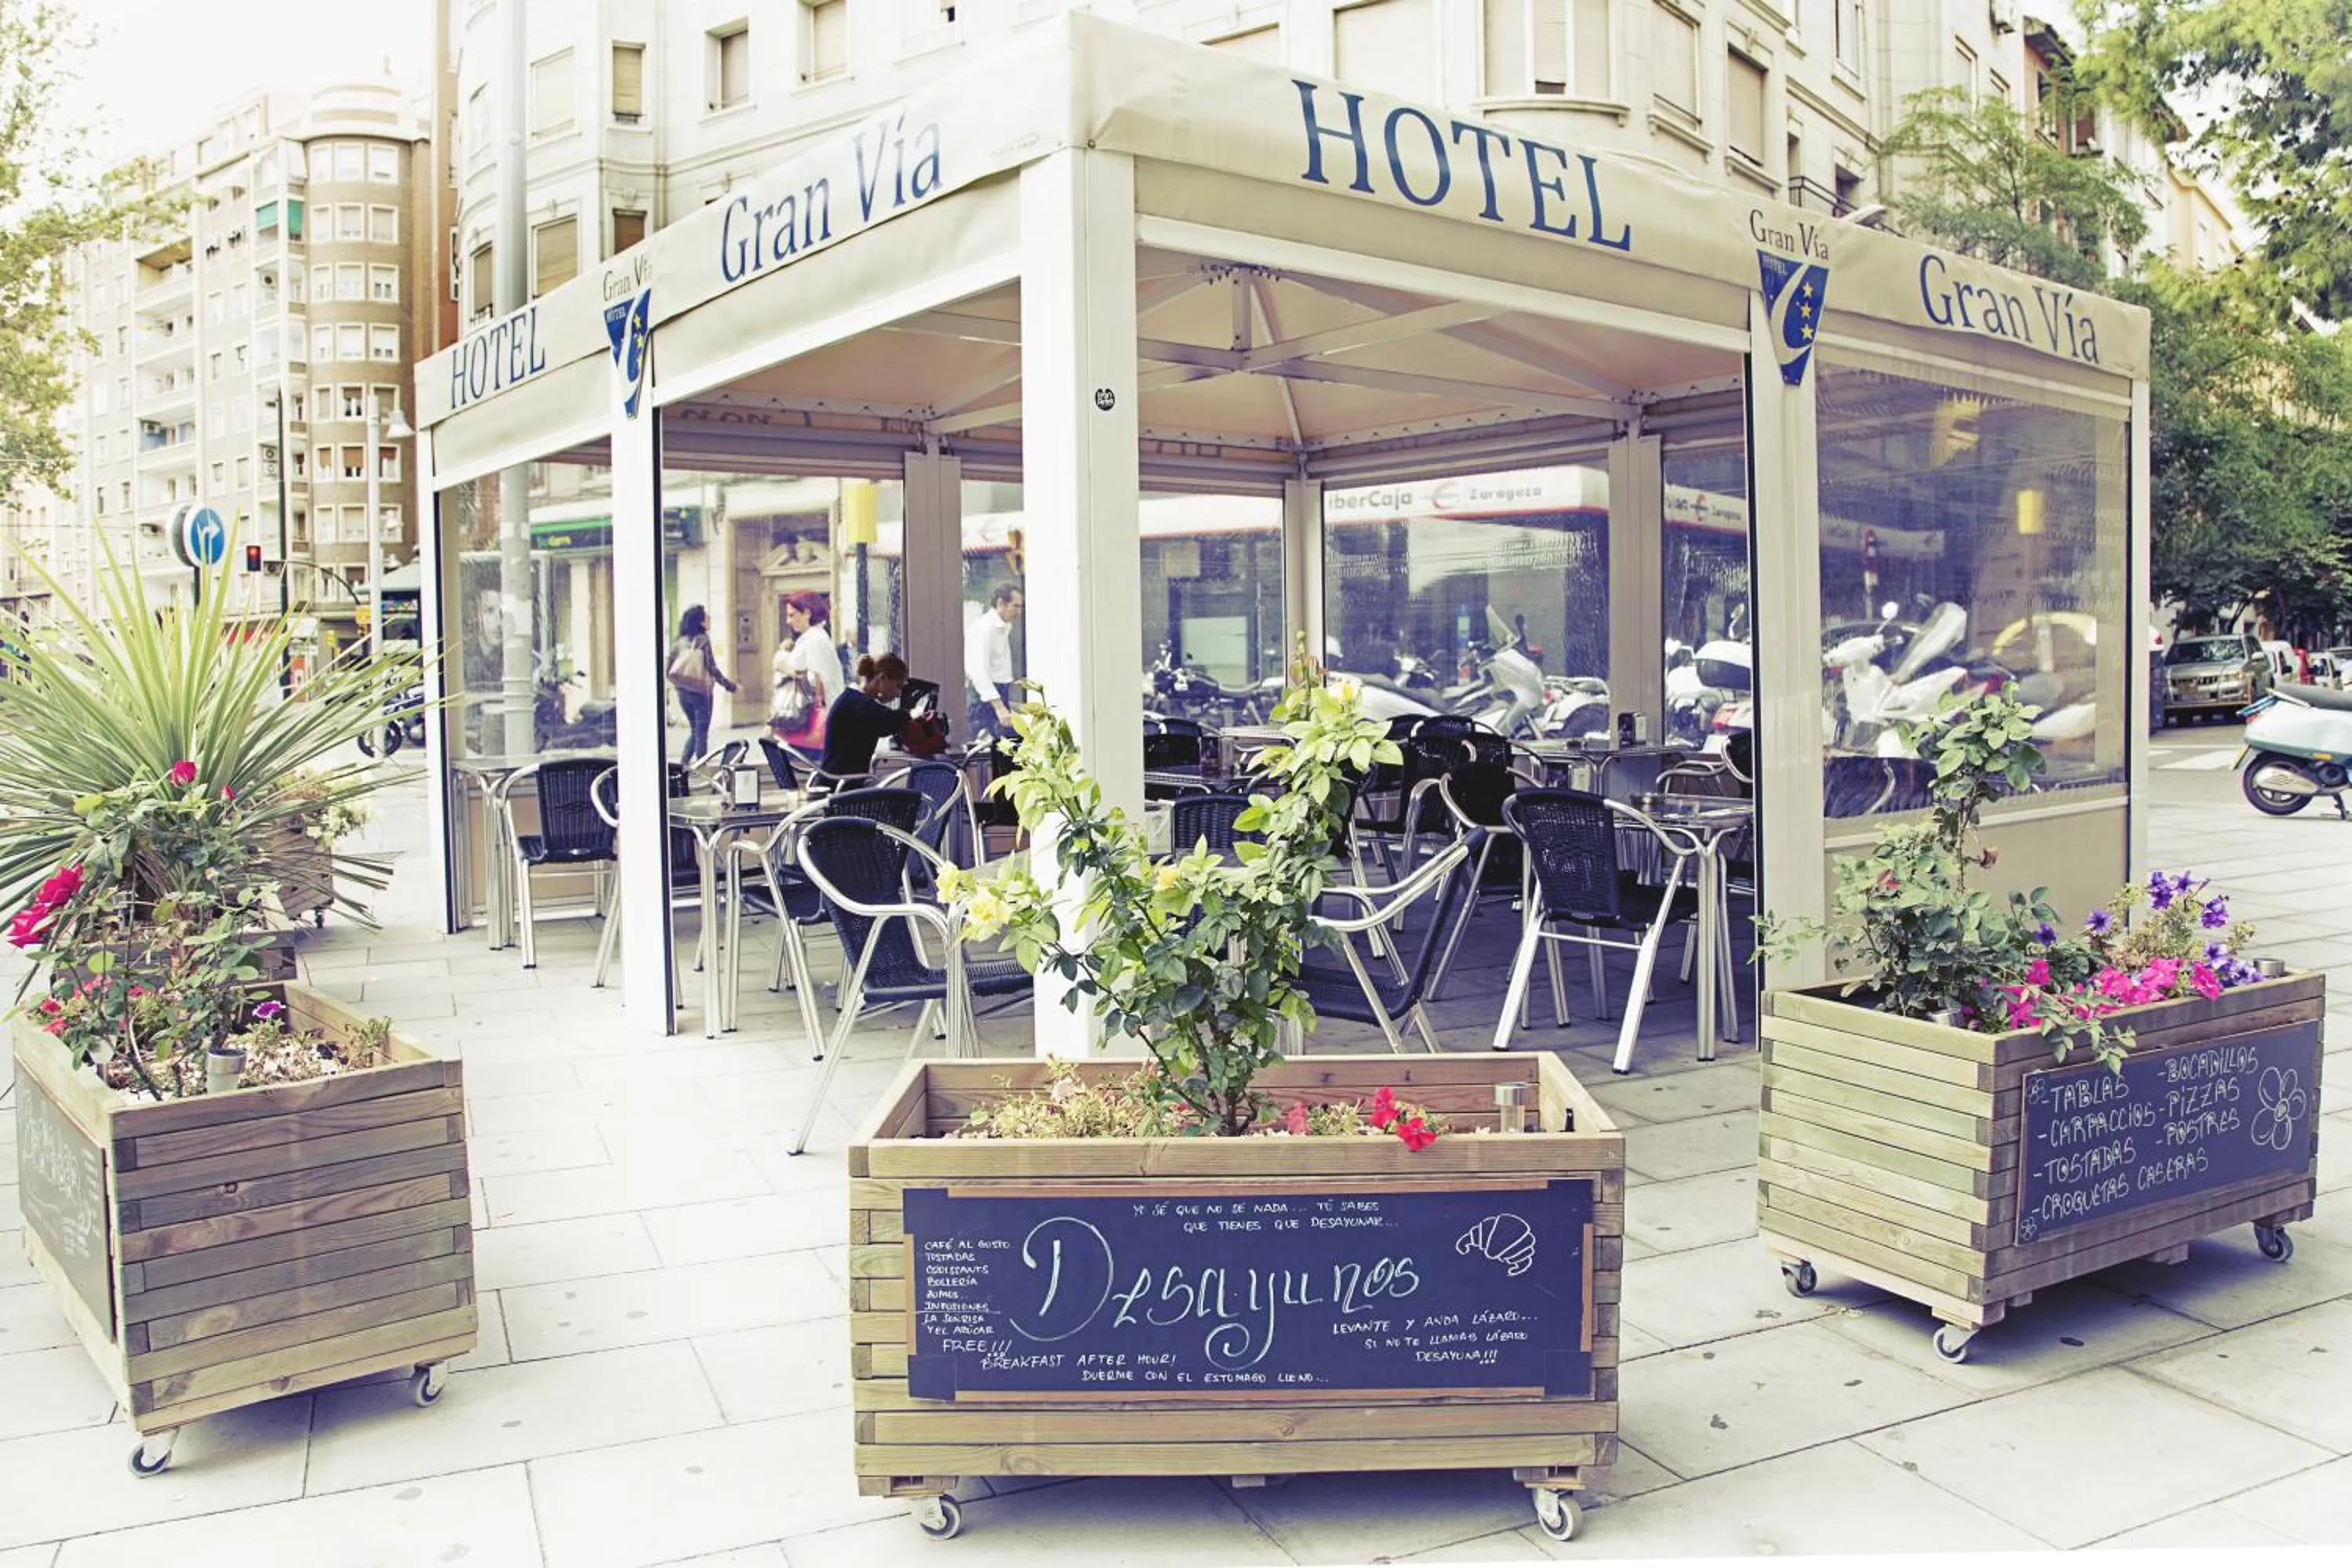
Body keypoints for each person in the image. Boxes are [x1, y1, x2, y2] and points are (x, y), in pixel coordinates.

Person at [819, 653, 948, 779]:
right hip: (841, 787)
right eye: (898, 686)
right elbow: (887, 721)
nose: (898, 694)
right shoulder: (858, 704)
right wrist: (913, 713)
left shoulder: (853, 699)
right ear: (882, 678)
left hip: (844, 781)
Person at [664, 605, 735, 761]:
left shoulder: (678, 642)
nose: (710, 621)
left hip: (683, 693)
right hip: (701, 692)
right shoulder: (703, 640)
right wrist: (730, 686)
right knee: (701, 731)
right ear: (701, 622)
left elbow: (669, 670)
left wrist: (681, 685)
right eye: (707, 618)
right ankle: (702, 765)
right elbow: (712, 668)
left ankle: (683, 764)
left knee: (695, 730)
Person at [771, 590, 838, 754]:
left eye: (792, 615)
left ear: (807, 613)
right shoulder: (817, 637)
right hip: (816, 718)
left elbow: (816, 679)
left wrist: (784, 667)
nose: (788, 621)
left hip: (812, 720)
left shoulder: (813, 640)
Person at [964, 583, 1023, 739]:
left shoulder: (1004, 626)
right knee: (982, 746)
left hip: (998, 692)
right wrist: (999, 707)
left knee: (1005, 746)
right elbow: (978, 672)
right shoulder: (985, 628)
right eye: (1015, 606)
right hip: (985, 697)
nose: (1019, 612)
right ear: (1000, 604)